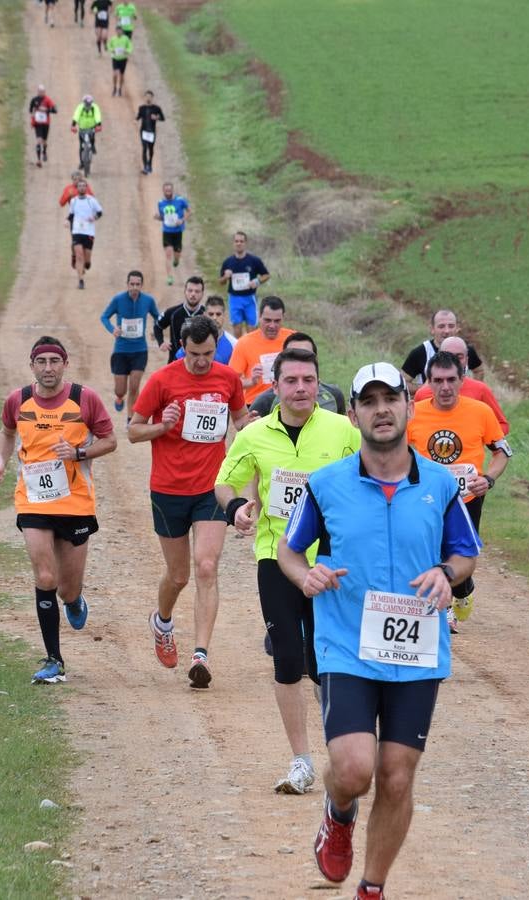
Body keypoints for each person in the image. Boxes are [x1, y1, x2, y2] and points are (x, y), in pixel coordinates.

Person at [278, 361, 480, 897]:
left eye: (390, 397)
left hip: (416, 651)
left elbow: (465, 554)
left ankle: (373, 886)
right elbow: (289, 550)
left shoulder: (438, 483)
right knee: (353, 769)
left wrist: (445, 573)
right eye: (368, 401)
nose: (381, 409)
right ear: (354, 414)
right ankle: (338, 813)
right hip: (346, 645)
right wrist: (307, 575)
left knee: (396, 775)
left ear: (408, 405)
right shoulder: (326, 485)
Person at [216, 347, 360, 794]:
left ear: (319, 384)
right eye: (292, 381)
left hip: (331, 562)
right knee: (286, 660)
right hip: (274, 556)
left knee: (326, 664)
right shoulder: (255, 434)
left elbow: (375, 473)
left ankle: (341, 749)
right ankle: (301, 761)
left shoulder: (342, 430)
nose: (301, 388)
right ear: (274, 387)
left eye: (309, 380)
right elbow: (225, 482)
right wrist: (238, 508)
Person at [129, 316, 250, 689]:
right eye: (195, 354)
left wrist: (251, 426)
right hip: (167, 489)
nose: (201, 361)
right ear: (182, 347)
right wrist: (161, 426)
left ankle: (201, 654)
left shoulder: (227, 378)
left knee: (207, 566)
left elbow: (241, 418)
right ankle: (162, 620)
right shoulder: (163, 380)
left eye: (208, 354)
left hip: (211, 488)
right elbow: (133, 431)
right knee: (179, 575)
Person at [0, 337, 117, 684]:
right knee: (45, 577)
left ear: (65, 364)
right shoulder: (17, 400)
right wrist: (1, 460)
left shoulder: (84, 399)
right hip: (33, 500)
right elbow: (6, 432)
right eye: (41, 361)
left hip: (75, 502)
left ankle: (74, 601)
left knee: (66, 589)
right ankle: (53, 661)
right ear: (32, 365)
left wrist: (77, 453)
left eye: (54, 361)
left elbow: (110, 440)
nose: (48, 368)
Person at [405, 351, 511, 624]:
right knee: (429, 547)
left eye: (451, 379)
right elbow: (398, 451)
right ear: (427, 382)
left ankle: (463, 590)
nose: (445, 387)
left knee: (462, 553)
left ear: (462, 380)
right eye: (438, 380)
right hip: (426, 496)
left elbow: (502, 452)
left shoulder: (480, 412)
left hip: (467, 497)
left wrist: (488, 479)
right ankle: (444, 607)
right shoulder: (415, 414)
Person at [413, 337, 509, 435]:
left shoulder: (481, 389)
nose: (454, 361)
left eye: (459, 357)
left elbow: (502, 425)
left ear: (467, 360)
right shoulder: (422, 394)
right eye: (448, 356)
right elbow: (412, 427)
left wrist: (477, 435)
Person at [99, 270, 161, 414]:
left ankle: (130, 418)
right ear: (127, 285)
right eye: (132, 284)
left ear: (141, 285)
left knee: (134, 386)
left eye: (137, 284)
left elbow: (158, 317)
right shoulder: (118, 300)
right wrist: (113, 329)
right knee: (120, 390)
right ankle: (119, 397)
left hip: (140, 350)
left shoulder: (148, 300)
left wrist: (155, 330)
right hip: (121, 350)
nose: (134, 287)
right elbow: (104, 317)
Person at [250, 332, 347, 417]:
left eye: (305, 356)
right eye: (292, 356)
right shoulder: (264, 402)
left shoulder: (334, 395)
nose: (300, 388)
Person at [228, 296, 294, 404]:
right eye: (267, 320)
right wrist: (251, 381)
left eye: (277, 321)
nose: (272, 326)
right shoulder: (244, 343)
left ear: (283, 318)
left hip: (287, 402)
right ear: (259, 316)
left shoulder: (293, 339)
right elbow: (230, 382)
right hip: (256, 404)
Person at [400, 309, 485, 388]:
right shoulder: (420, 353)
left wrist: (472, 391)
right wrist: (424, 390)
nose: (447, 331)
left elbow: (479, 371)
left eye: (451, 326)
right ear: (432, 329)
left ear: (457, 328)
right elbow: (402, 383)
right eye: (441, 326)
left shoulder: (466, 350)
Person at [219, 231, 271, 338]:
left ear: (245, 243)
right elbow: (221, 282)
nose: (239, 243)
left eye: (241, 241)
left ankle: (251, 351)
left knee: (251, 330)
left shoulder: (254, 260)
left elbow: (266, 275)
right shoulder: (228, 262)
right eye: (236, 241)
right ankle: (239, 351)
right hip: (234, 299)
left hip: (250, 299)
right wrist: (225, 277)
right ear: (233, 243)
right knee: (237, 329)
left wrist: (257, 281)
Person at [154, 276, 206, 364]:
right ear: (185, 291)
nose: (193, 294)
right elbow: (157, 326)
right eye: (190, 290)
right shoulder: (173, 312)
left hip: (199, 364)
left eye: (197, 291)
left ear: (202, 293)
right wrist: (161, 342)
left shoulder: (207, 314)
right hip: (175, 362)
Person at [67, 180, 102, 289]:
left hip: (89, 232)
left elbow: (100, 212)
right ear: (77, 188)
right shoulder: (73, 201)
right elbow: (71, 215)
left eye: (83, 186)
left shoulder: (92, 200)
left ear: (86, 188)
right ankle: (80, 281)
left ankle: (87, 263)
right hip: (77, 231)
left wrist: (94, 218)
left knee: (86, 260)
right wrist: (67, 221)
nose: (81, 188)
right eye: (79, 186)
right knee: (79, 256)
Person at [154, 181, 188, 282]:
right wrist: (157, 217)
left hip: (178, 231)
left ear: (172, 190)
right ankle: (169, 277)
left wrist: (182, 220)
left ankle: (176, 260)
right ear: (163, 191)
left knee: (177, 253)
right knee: (168, 254)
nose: (168, 192)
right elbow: (163, 218)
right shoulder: (160, 203)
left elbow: (189, 211)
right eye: (166, 190)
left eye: (169, 190)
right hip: (167, 232)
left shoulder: (180, 200)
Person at [28, 85, 59, 168]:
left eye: (42, 92)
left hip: (45, 123)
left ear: (44, 92)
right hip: (37, 124)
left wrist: (46, 110)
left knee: (44, 141)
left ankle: (44, 152)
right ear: (37, 91)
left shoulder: (48, 100)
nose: (41, 93)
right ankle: (38, 160)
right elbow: (30, 110)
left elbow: (55, 110)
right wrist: (33, 115)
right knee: (39, 140)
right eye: (40, 91)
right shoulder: (34, 100)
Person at [136, 91, 165, 175]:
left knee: (151, 149)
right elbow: (139, 116)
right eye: (146, 96)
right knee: (144, 149)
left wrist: (156, 117)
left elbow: (163, 118)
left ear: (152, 98)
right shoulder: (142, 108)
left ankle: (150, 163)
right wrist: (135, 120)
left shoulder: (156, 108)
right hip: (143, 131)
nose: (148, 98)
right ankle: (145, 167)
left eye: (150, 96)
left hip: (151, 132)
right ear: (144, 97)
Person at [71, 95, 103, 165]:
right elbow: (76, 115)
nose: (88, 105)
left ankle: (93, 145)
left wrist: (99, 125)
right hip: (82, 128)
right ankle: (81, 163)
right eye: (86, 104)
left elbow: (98, 116)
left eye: (89, 104)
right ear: (84, 103)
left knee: (92, 138)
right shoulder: (80, 107)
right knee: (81, 146)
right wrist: (73, 125)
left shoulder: (95, 107)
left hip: (91, 127)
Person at [107, 28, 133, 97]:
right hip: (115, 58)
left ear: (122, 31)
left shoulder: (126, 39)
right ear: (116, 31)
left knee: (121, 75)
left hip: (123, 59)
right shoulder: (113, 39)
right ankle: (114, 87)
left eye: (120, 30)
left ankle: (120, 89)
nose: (119, 32)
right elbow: (109, 45)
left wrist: (127, 51)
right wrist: (112, 50)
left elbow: (130, 47)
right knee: (115, 74)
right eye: (117, 30)